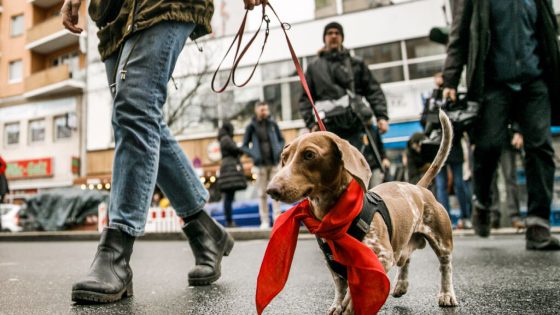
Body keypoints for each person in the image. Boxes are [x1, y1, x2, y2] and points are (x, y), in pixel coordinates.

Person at [62, 0, 267, 304]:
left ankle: (115, 252)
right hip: (114, 12)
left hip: (163, 4)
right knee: (139, 118)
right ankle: (205, 230)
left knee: (135, 108)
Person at [442, 0, 560, 249]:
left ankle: (538, 225)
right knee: (487, 147)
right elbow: (460, 32)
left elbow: (549, 31)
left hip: (534, 81)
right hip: (493, 83)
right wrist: (451, 79)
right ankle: (483, 203)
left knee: (540, 148)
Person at [298, 21, 390, 188]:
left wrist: (382, 116)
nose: (333, 36)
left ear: (341, 37)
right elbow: (305, 99)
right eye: (330, 33)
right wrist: (311, 123)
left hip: (356, 126)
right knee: (332, 174)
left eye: (337, 33)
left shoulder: (356, 64)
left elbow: (373, 90)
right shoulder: (313, 68)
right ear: (324, 38)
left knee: (362, 170)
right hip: (328, 130)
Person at [422, 73, 472, 229]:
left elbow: (461, 119)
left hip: (453, 145)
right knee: (441, 183)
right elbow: (425, 121)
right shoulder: (432, 98)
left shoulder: (454, 96)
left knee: (459, 182)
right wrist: (433, 104)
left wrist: (451, 102)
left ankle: (466, 216)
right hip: (437, 147)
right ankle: (445, 220)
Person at [242, 101, 285, 229]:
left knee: (276, 192)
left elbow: (281, 139)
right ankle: (265, 220)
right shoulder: (251, 126)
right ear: (257, 110)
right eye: (262, 110)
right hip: (260, 165)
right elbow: (244, 146)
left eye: (266, 109)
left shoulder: (273, 123)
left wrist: (278, 151)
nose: (264, 112)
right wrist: (254, 154)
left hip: (273, 163)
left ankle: (277, 218)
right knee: (262, 194)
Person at [490, 131, 525, 229]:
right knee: (491, 180)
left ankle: (514, 216)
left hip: (506, 138)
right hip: (489, 138)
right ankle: (494, 215)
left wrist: (516, 131)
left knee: (510, 178)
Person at [217, 121, 247, 227]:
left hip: (227, 169)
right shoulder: (226, 139)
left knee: (228, 197)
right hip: (229, 169)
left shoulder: (223, 139)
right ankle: (229, 221)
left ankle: (229, 220)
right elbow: (235, 150)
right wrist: (242, 148)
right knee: (228, 197)